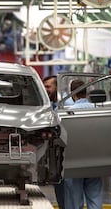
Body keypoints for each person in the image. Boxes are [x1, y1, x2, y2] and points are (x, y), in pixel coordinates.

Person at [64, 79, 103, 209]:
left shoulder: (67, 112)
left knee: (74, 199)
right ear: (86, 93)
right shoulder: (98, 110)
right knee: (95, 196)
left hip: (74, 161)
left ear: (72, 94)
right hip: (95, 160)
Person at [42, 75, 65, 209]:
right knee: (61, 190)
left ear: (58, 87)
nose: (45, 90)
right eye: (44, 86)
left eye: (48, 86)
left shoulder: (66, 106)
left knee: (69, 193)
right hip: (56, 157)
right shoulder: (48, 106)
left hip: (67, 155)